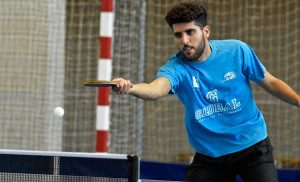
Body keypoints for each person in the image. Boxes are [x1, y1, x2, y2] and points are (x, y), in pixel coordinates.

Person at [112, 2, 300, 182]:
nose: (184, 40)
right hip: (210, 156)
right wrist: (131, 88)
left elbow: (270, 82)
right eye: (178, 35)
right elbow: (156, 89)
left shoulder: (237, 50)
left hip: (253, 147)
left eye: (190, 32)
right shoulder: (176, 68)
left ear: (206, 31)